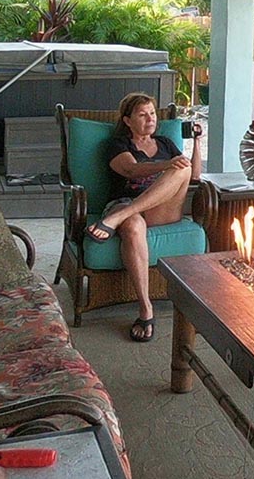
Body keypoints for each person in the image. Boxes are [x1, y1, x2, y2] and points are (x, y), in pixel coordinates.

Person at [85, 92, 200, 342]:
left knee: (185, 168)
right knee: (134, 224)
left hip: (162, 209)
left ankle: (120, 217)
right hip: (125, 201)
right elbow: (130, 170)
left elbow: (194, 176)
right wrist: (166, 165)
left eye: (152, 113)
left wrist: (197, 142)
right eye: (142, 114)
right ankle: (145, 308)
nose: (150, 119)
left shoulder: (166, 143)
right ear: (127, 120)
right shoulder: (118, 144)